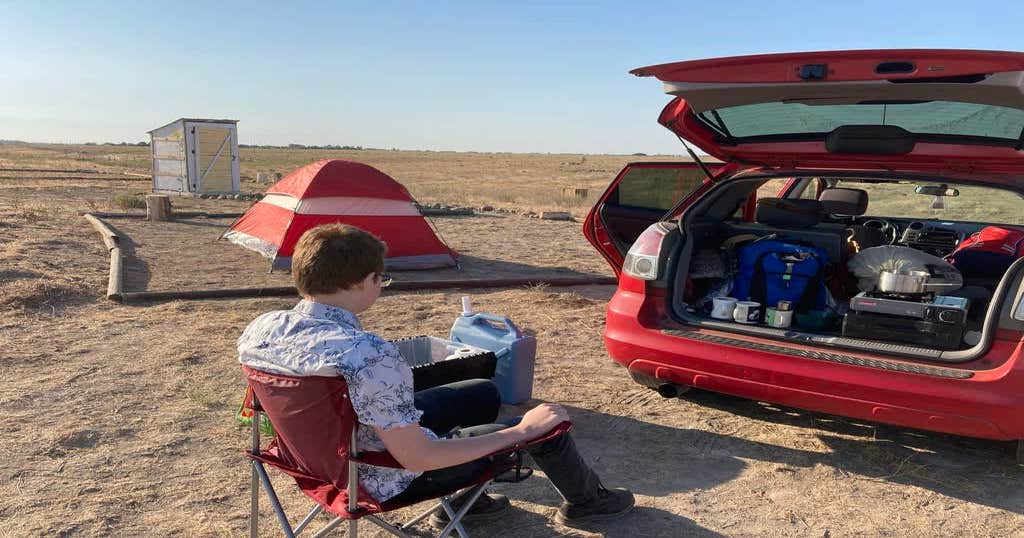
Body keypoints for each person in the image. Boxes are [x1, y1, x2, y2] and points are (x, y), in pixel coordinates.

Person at [238, 223, 634, 527]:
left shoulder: (260, 331)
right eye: (382, 278)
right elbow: (419, 456)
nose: (382, 285)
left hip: (320, 455)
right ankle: (587, 504)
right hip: (383, 475)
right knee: (547, 422)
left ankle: (469, 503)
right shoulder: (371, 355)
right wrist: (522, 432)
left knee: (479, 392)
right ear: (365, 281)